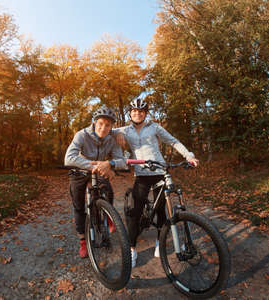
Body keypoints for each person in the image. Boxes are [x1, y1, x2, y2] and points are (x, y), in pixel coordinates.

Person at [114, 96, 199, 268]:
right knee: (134, 211)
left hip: (160, 171)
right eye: (134, 111)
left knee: (161, 210)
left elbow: (172, 141)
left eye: (141, 111)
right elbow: (102, 129)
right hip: (141, 174)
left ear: (145, 113)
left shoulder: (155, 127)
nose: (137, 113)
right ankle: (132, 249)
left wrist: (189, 155)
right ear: (130, 113)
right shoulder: (124, 130)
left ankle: (160, 243)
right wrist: (117, 136)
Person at [64, 105, 126, 258]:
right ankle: (83, 242)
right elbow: (69, 158)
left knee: (108, 191)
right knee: (79, 206)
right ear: (94, 123)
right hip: (79, 170)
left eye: (107, 125)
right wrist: (97, 166)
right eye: (100, 124)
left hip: (99, 168)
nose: (103, 128)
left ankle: (108, 215)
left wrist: (110, 164)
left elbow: (122, 161)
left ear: (112, 127)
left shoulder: (113, 138)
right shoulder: (81, 135)